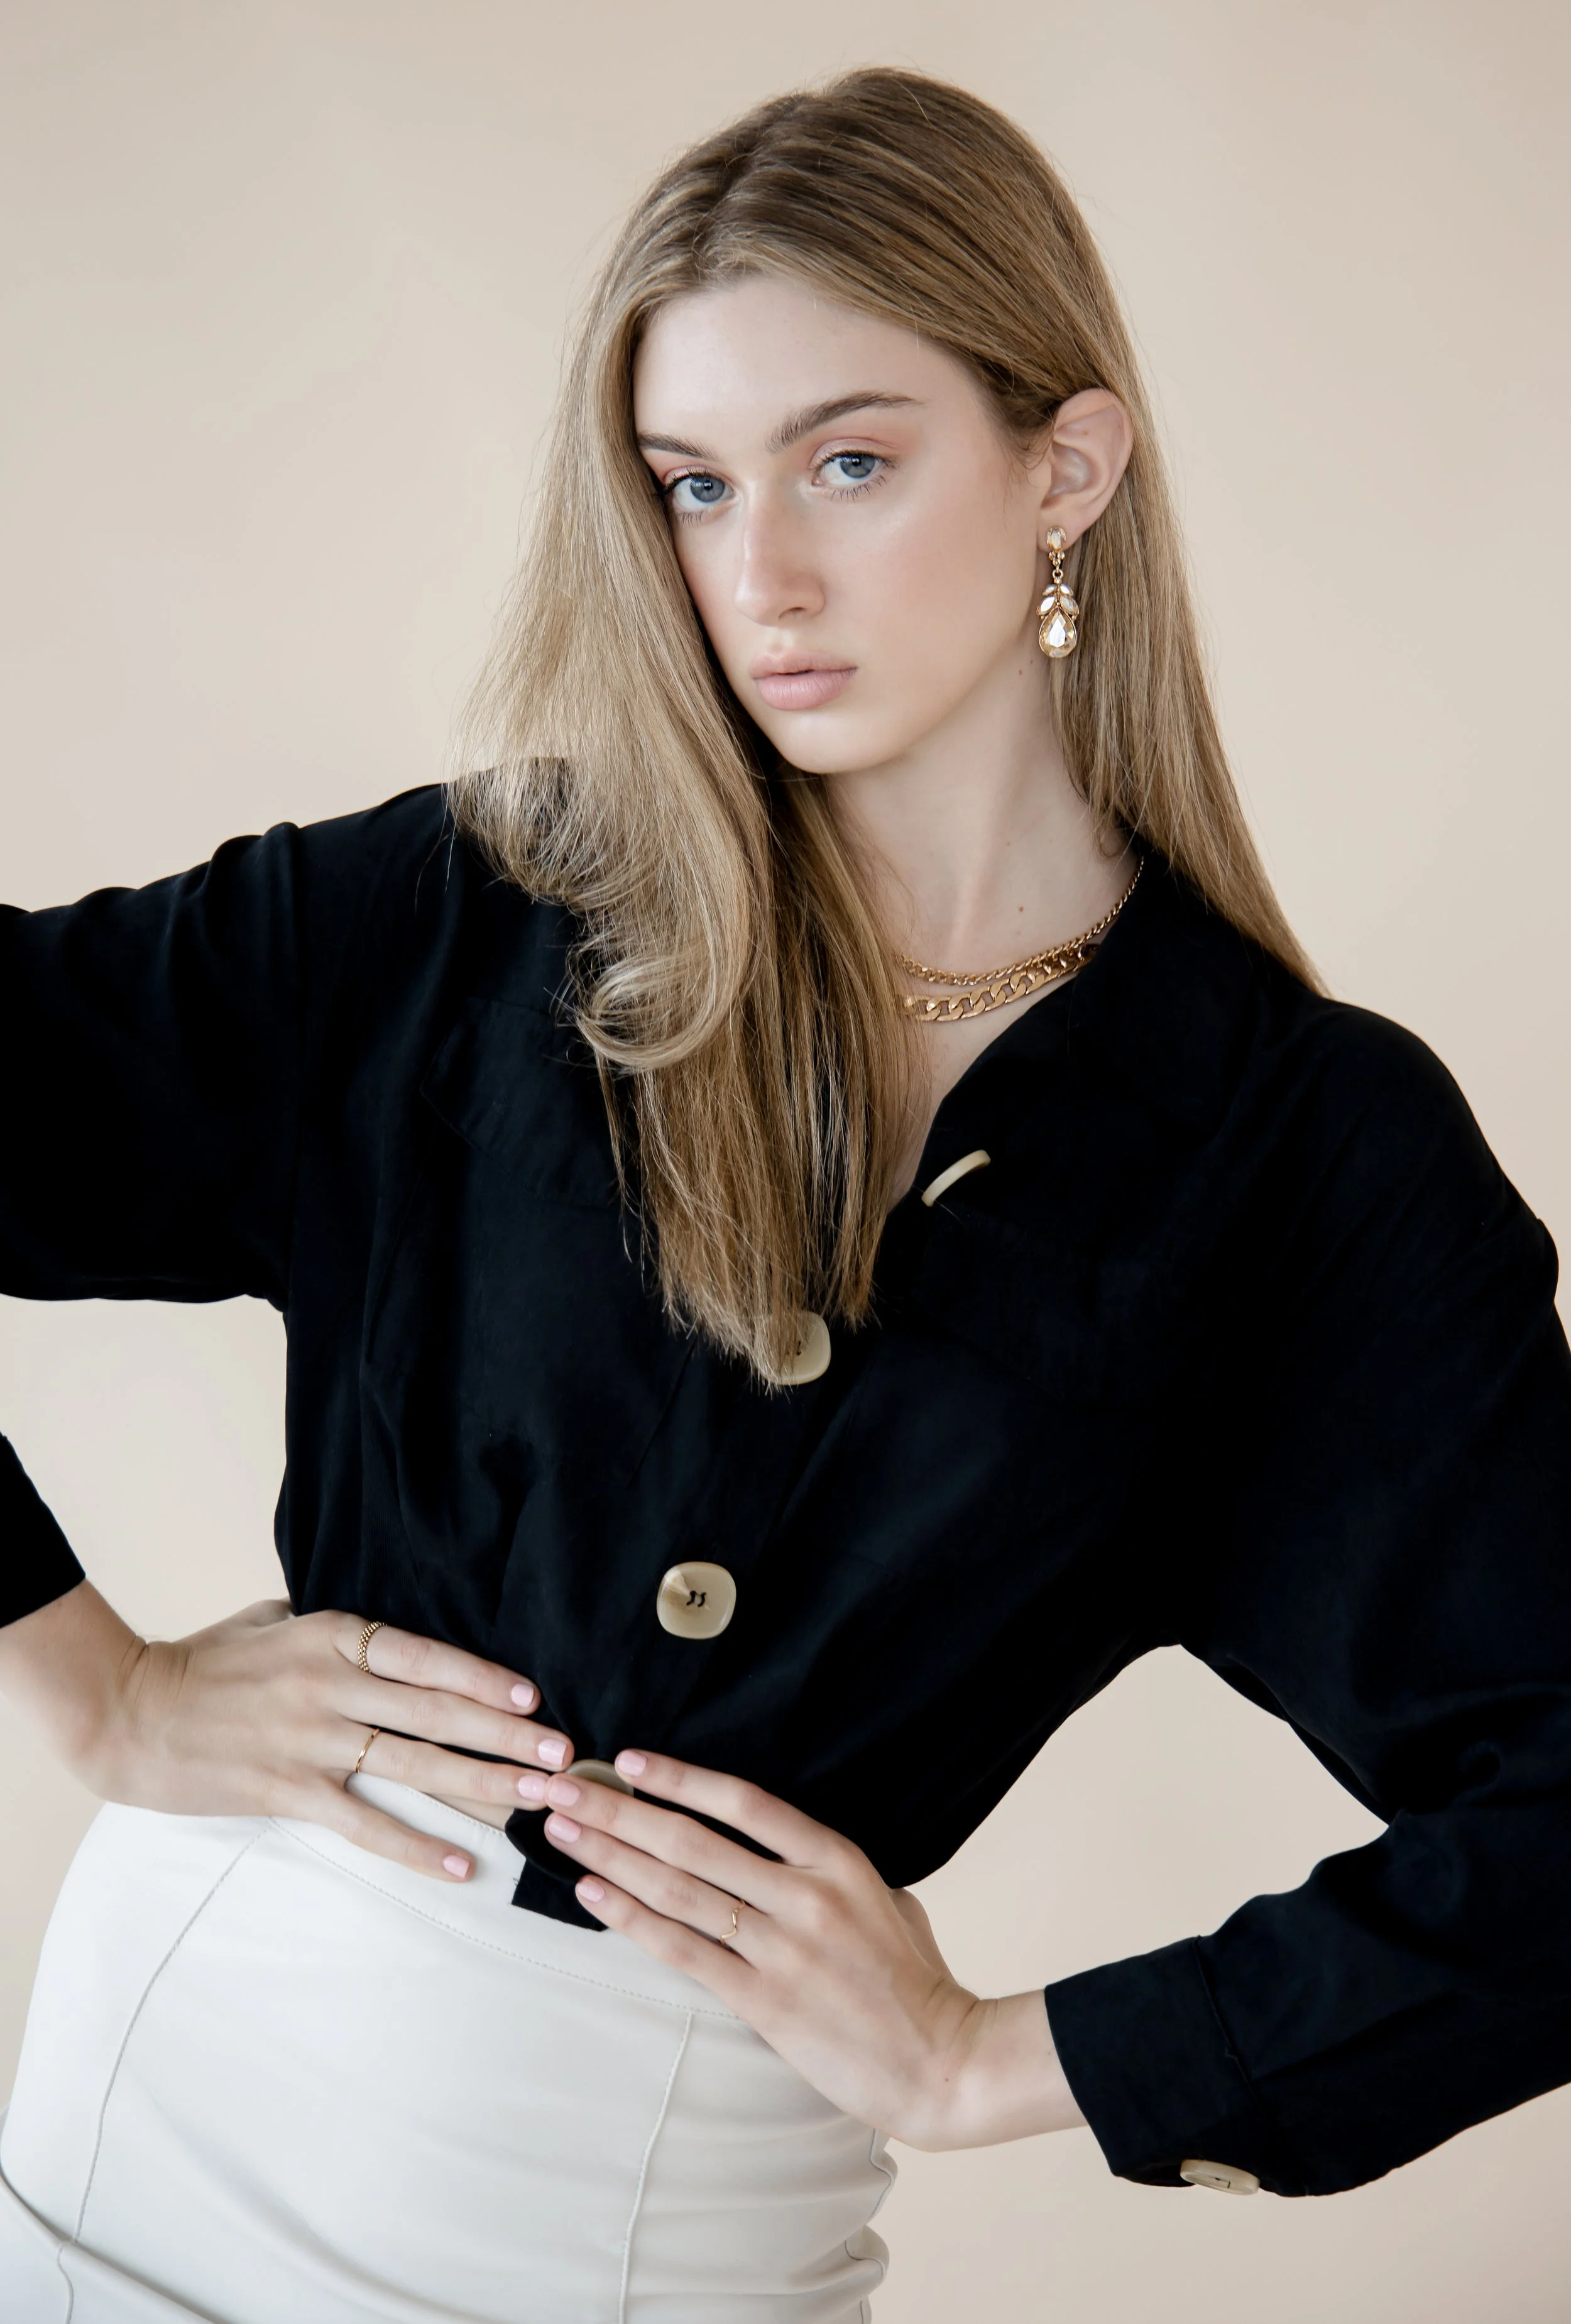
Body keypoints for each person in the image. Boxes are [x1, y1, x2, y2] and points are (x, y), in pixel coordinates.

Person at [1, 61, 1568, 2323]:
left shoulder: (1294, 1152)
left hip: (677, 2218)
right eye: (690, 485)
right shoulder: (474, 917)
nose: (761, 576)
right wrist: (98, 1699)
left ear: (1068, 468)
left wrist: (1008, 2059)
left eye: (850, 460)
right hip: (168, 2105)